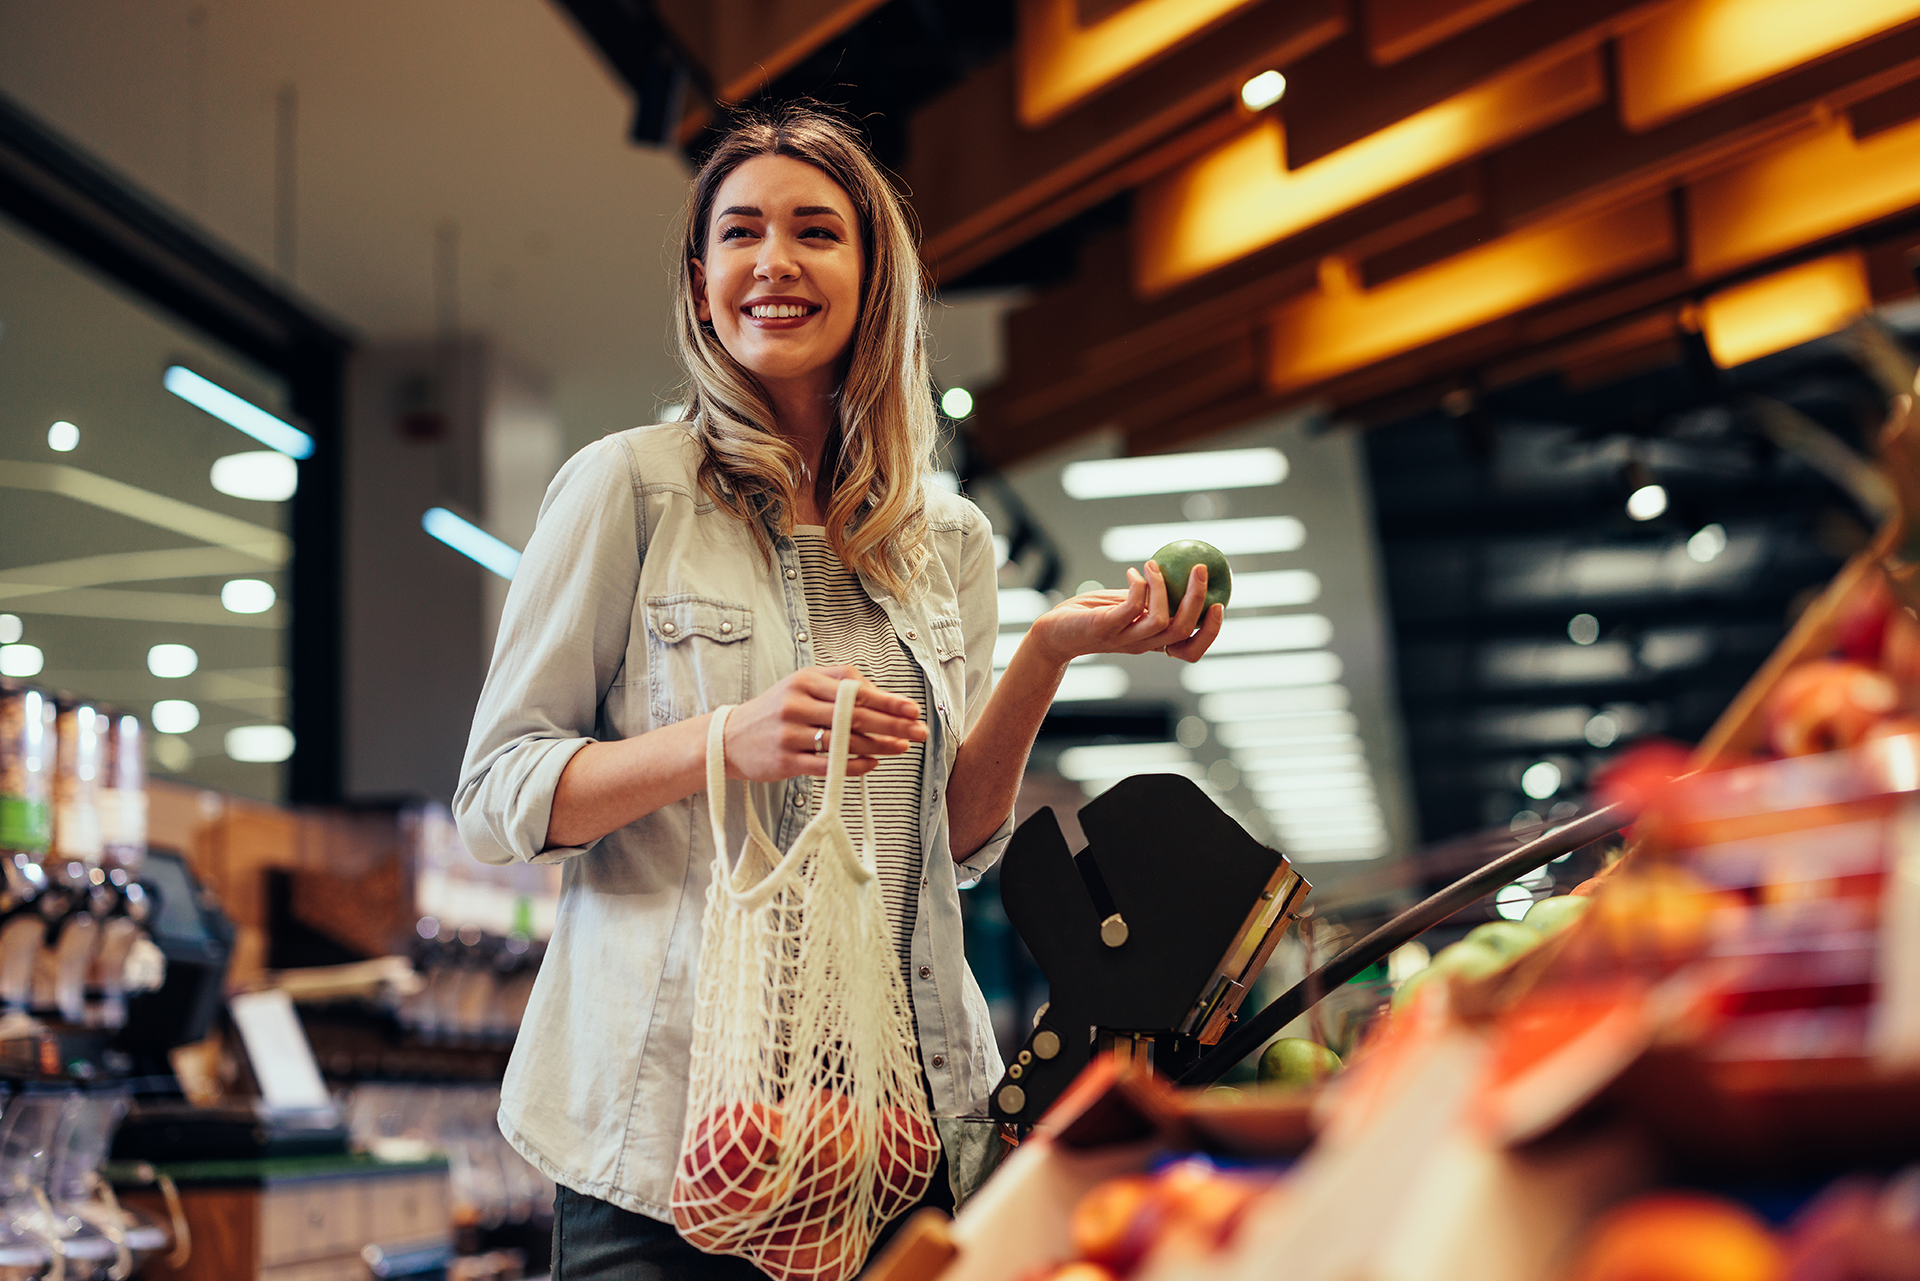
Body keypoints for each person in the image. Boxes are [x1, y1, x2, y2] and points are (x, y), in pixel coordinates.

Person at [453, 103, 1224, 1279]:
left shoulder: (945, 539)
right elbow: (499, 793)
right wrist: (725, 739)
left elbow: (956, 839)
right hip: (674, 1148)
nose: (775, 261)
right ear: (700, 277)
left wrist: (1050, 651)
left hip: (895, 1131)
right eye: (741, 232)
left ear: (874, 278)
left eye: (816, 231)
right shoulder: (630, 491)